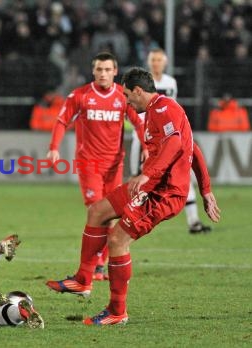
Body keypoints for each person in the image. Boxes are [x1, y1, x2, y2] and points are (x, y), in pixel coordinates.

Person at [46, 67, 221, 325]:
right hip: (148, 185)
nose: (126, 100)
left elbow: (176, 145)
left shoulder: (164, 109)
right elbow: (192, 147)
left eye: (128, 95)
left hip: (163, 194)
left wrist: (148, 176)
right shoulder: (153, 112)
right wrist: (205, 190)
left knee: (117, 240)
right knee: (97, 211)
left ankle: (117, 311)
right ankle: (83, 280)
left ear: (139, 91)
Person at [46, 52, 147, 280]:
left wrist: (147, 146)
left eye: (107, 69)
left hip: (114, 164)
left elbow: (138, 123)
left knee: (109, 215)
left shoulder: (122, 98)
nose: (103, 73)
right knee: (96, 210)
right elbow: (62, 121)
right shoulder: (80, 95)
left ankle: (102, 263)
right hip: (89, 163)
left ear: (115, 71)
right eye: (99, 69)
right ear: (93, 71)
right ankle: (98, 264)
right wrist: (54, 147)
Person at [130, 48, 212, 234]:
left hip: (164, 138)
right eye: (153, 59)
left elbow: (169, 111)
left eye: (159, 59)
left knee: (180, 177)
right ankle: (133, 214)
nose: (156, 63)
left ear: (165, 62)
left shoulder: (170, 83)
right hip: (144, 138)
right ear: (149, 62)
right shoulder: (142, 83)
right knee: (140, 178)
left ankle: (193, 221)